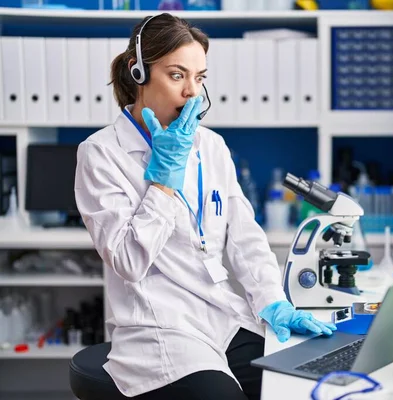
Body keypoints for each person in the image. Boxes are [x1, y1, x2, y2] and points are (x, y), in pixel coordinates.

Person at [74, 13, 336, 400]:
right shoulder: (100, 154)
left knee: (303, 385)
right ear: (139, 73)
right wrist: (163, 179)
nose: (192, 93)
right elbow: (129, 261)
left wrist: (273, 302)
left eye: (200, 78)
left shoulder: (210, 145)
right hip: (158, 327)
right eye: (177, 75)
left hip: (223, 316)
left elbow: (244, 237)